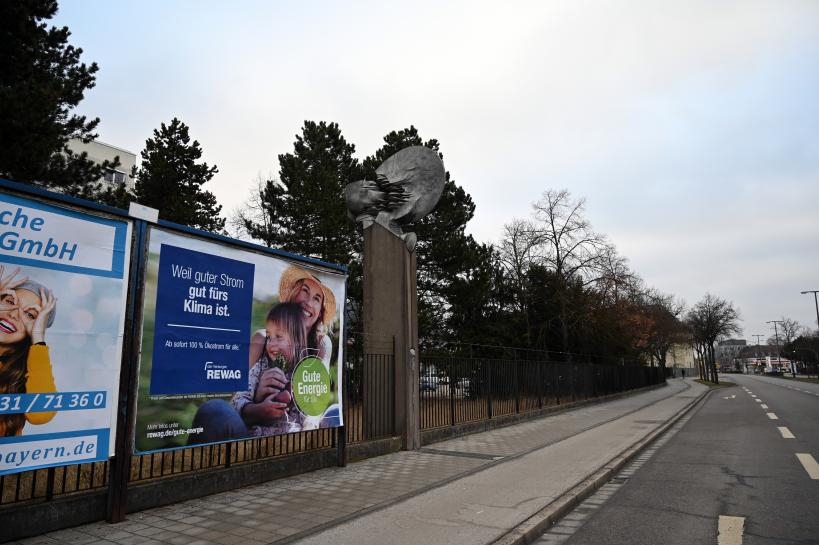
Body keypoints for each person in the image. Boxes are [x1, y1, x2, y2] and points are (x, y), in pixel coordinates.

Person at [231, 303, 306, 436]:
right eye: (269, 337)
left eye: (279, 336)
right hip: (257, 435)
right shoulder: (260, 367)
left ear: (297, 340)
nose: (271, 344)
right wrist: (258, 404)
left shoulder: (304, 372)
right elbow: (237, 401)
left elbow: (310, 411)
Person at [0, 266, 58, 437]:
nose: (14, 315)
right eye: (10, 302)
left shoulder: (27, 375)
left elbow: (41, 414)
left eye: (30, 315)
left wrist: (38, 338)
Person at [248, 266, 337, 371]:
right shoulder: (261, 339)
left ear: (320, 313)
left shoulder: (321, 343)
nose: (308, 303)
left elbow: (322, 380)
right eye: (305, 291)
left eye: (316, 299)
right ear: (293, 295)